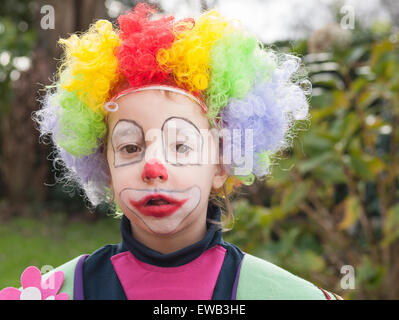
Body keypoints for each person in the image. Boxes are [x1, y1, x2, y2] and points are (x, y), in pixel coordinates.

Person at [0, 3, 342, 300]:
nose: (154, 167)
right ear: (104, 164)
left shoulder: (274, 291)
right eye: (130, 147)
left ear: (221, 162)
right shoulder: (70, 289)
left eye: (181, 145)